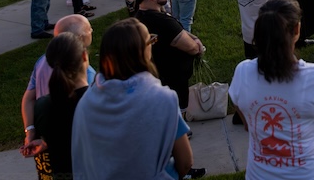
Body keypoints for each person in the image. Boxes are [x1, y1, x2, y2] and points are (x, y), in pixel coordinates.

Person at [229, 0, 314, 180]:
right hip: (311, 174)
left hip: (260, 174)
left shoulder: (242, 72)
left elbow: (249, 123)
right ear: (297, 29)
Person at [72, 19, 196, 180]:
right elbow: (185, 163)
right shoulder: (162, 99)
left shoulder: (87, 101)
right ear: (142, 51)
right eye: (151, 41)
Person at [19, 33, 90, 179]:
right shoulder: (98, 101)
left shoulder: (43, 106)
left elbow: (65, 135)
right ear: (84, 56)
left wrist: (47, 143)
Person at [20, 14, 95, 151]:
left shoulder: (42, 62)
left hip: (49, 147)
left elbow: (28, 98)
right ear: (78, 39)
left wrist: (30, 131)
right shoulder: (87, 75)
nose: (92, 31)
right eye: (89, 29)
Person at [135, 0, 205, 110]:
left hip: (154, 79)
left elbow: (178, 32)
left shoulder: (138, 19)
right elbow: (192, 48)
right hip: (174, 81)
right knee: (178, 114)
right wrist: (197, 44)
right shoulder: (164, 23)